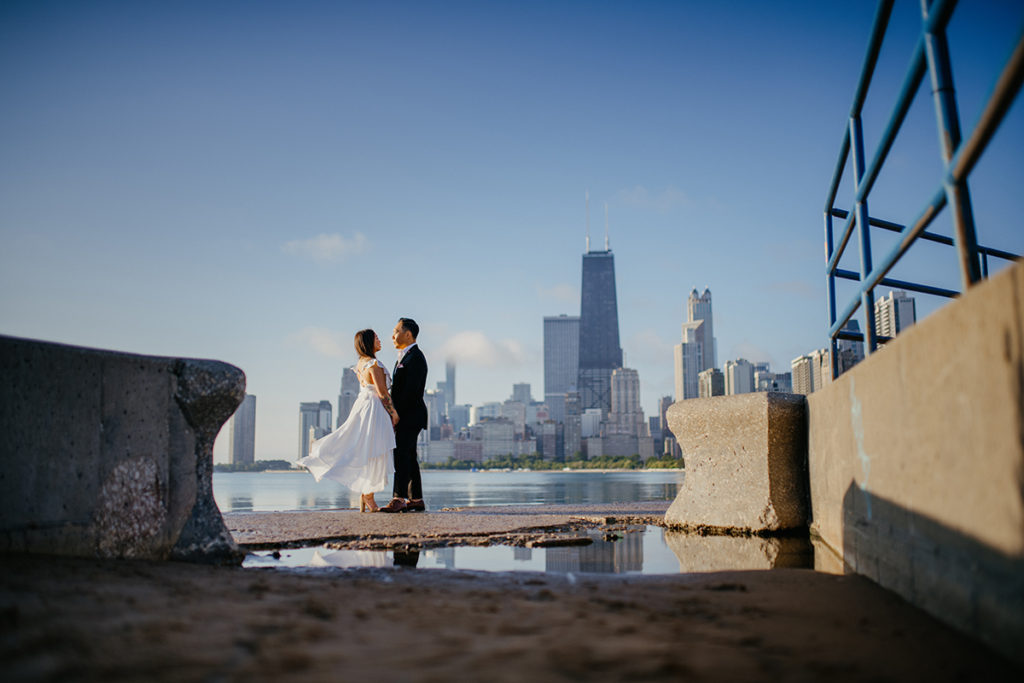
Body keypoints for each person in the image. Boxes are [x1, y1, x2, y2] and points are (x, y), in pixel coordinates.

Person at [298, 329, 399, 512]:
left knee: (367, 448)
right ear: (368, 342)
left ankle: (366, 495)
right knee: (374, 450)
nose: (379, 340)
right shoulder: (373, 364)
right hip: (374, 408)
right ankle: (368, 496)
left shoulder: (361, 364)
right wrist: (393, 412)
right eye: (376, 337)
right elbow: (382, 393)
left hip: (363, 405)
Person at [380, 317, 428, 513]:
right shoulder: (403, 356)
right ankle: (415, 499)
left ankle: (398, 498)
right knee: (408, 455)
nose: (392, 335)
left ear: (408, 334)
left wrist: (395, 413)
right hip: (406, 414)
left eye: (396, 331)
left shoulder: (415, 357)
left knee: (401, 454)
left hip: (410, 414)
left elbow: (411, 391)